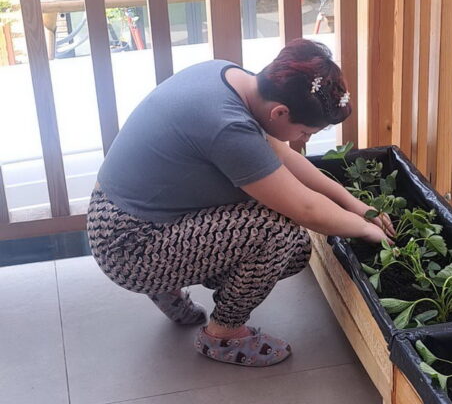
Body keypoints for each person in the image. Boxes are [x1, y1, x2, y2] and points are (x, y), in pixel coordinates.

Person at [87, 39, 392, 367]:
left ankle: (167, 282)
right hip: (127, 246)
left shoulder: (231, 77)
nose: (305, 141)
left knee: (297, 251)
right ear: (280, 113)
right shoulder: (228, 126)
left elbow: (284, 156)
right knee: (279, 232)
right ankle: (222, 335)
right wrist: (365, 230)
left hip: (130, 214)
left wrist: (355, 204)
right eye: (305, 131)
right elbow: (305, 209)